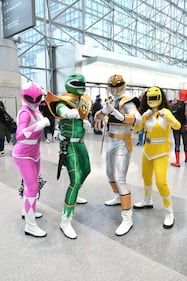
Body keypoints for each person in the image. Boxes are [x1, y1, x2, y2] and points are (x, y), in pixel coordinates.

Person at [46, 73, 91, 239]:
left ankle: (76, 194)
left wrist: (85, 123)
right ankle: (65, 220)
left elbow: (83, 117)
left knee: (87, 170)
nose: (81, 85)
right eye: (77, 83)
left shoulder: (83, 101)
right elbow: (60, 110)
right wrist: (67, 112)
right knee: (75, 180)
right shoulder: (63, 100)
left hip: (80, 142)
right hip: (68, 144)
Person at [95, 74, 141, 236]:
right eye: (112, 86)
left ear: (123, 85)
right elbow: (96, 117)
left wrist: (123, 117)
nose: (115, 90)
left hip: (123, 142)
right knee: (109, 174)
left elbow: (139, 120)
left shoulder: (127, 101)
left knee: (120, 178)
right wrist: (103, 111)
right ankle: (117, 197)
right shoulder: (110, 100)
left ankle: (127, 217)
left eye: (117, 86)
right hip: (111, 141)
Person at [133, 86, 181, 229]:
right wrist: (143, 117)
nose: (152, 100)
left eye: (154, 97)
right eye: (149, 98)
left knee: (161, 182)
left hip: (161, 151)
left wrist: (168, 118)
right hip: (147, 150)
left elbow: (177, 126)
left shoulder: (166, 111)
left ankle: (169, 212)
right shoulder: (146, 113)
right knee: (146, 177)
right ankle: (147, 200)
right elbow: (136, 129)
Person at [12, 81, 50, 238]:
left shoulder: (35, 110)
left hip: (35, 153)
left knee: (31, 187)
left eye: (37, 99)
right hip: (23, 155)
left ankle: (26, 211)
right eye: (31, 99)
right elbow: (20, 135)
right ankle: (30, 225)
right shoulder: (25, 112)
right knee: (32, 187)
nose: (34, 102)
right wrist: (40, 125)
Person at [170, 89, 187, 167]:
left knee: (177, 143)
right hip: (185, 127)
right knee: (186, 143)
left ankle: (177, 161)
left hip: (176, 127)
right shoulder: (186, 104)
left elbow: (171, 114)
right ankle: (186, 158)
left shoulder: (175, 104)